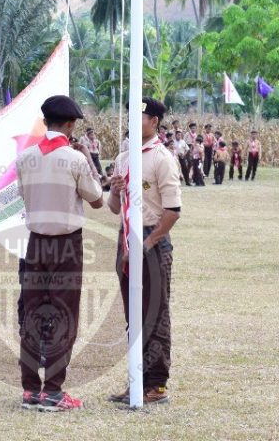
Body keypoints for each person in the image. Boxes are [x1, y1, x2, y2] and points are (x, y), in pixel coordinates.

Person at [14, 95, 103, 412]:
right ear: (70, 125)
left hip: (35, 242)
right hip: (66, 245)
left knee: (33, 314)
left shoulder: (24, 159)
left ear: (45, 122)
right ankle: (52, 391)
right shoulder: (76, 159)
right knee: (64, 316)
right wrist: (88, 162)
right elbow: (96, 200)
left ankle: (29, 390)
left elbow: (24, 197)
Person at [107, 97, 181, 406]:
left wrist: (146, 245)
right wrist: (114, 189)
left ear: (154, 122)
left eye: (141, 118)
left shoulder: (161, 158)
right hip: (127, 236)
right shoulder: (125, 157)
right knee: (133, 315)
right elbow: (114, 208)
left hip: (151, 238)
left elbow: (173, 211)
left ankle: (156, 384)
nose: (134, 123)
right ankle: (136, 380)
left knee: (155, 313)